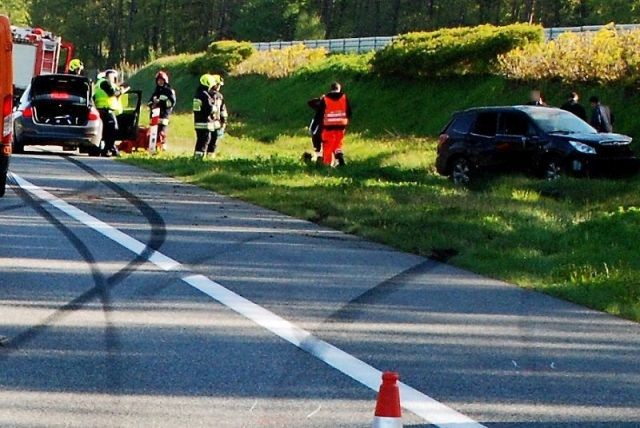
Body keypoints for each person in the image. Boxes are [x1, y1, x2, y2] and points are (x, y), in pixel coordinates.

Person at [93, 69, 129, 157]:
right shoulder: (105, 82)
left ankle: (110, 148)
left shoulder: (99, 83)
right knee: (114, 129)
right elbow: (112, 93)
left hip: (101, 110)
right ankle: (107, 149)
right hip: (106, 110)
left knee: (106, 131)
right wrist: (122, 91)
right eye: (113, 77)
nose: (114, 79)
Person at [193, 74, 228, 158]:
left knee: (213, 140)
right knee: (205, 140)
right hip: (207, 122)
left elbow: (223, 110)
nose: (218, 87)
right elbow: (208, 109)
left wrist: (224, 120)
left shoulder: (219, 96)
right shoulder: (206, 95)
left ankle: (210, 156)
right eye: (217, 84)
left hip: (215, 123)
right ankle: (199, 157)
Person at [318, 82, 351, 166]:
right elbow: (349, 112)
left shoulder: (325, 99)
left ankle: (327, 164)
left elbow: (320, 113)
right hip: (341, 125)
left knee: (328, 145)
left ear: (331, 89)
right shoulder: (344, 98)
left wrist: (319, 125)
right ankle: (339, 154)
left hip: (328, 126)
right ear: (339, 89)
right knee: (337, 142)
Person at [148, 71, 176, 146]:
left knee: (161, 133)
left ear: (165, 81)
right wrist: (152, 104)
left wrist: (160, 103)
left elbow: (171, 103)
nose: (160, 82)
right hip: (154, 116)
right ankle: (153, 148)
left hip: (163, 116)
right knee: (153, 134)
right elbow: (149, 102)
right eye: (158, 80)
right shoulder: (156, 91)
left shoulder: (169, 91)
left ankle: (161, 148)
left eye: (161, 80)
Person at [306, 97, 323, 162]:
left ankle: (319, 159)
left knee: (317, 147)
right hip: (321, 130)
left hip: (318, 131)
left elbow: (310, 103)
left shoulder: (320, 108)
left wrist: (319, 99)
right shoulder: (323, 108)